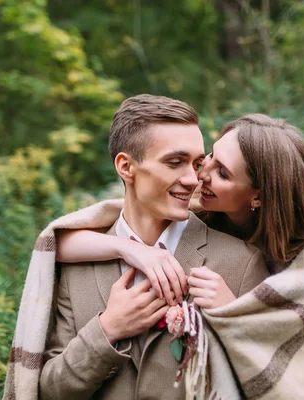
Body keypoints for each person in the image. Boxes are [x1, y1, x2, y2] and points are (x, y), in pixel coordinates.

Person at [56, 113, 304, 399]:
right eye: (209, 157)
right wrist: (134, 250)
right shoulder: (201, 208)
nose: (199, 176)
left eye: (222, 173)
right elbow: (57, 242)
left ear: (258, 196)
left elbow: (288, 374)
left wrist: (233, 312)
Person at [35, 95, 268, 400]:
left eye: (197, 163)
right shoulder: (76, 265)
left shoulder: (242, 263)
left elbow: (265, 384)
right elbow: (51, 390)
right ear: (126, 167)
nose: (193, 179)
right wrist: (107, 330)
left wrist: (228, 321)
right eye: (175, 162)